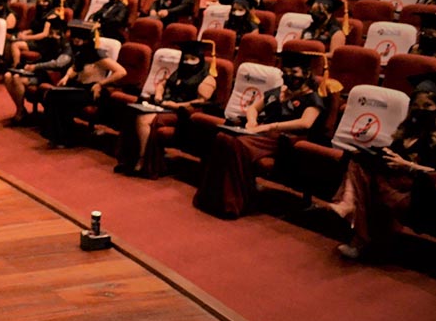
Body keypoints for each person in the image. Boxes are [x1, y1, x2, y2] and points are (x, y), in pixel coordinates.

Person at [193, 50, 326, 218]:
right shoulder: (278, 92)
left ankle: (233, 203)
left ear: (306, 74)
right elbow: (253, 108)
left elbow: (306, 122)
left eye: (294, 72)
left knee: (237, 144)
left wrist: (270, 127)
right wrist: (251, 121)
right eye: (286, 71)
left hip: (283, 140)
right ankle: (211, 199)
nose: (289, 75)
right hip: (260, 133)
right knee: (223, 137)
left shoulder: (312, 98)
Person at [327, 74, 436, 260]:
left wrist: (408, 165)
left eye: (428, 106)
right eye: (416, 106)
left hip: (418, 193)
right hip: (395, 181)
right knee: (359, 160)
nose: (421, 110)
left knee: (367, 181)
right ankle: (354, 217)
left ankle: (354, 222)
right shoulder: (408, 129)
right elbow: (392, 156)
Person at [115, 40, 217, 178]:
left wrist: (177, 105)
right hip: (165, 105)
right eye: (186, 59)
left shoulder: (207, 78)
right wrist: (158, 93)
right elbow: (162, 84)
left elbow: (201, 101)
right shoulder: (178, 72)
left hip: (182, 112)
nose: (188, 62)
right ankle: (128, 160)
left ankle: (143, 160)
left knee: (144, 119)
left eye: (193, 59)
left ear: (200, 59)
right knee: (133, 111)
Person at [39, 21, 126, 147]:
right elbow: (75, 68)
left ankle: (64, 138)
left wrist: (101, 84)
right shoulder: (82, 51)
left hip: (92, 91)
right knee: (52, 94)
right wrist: (66, 77)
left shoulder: (97, 54)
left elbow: (121, 72)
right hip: (80, 88)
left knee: (56, 97)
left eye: (78, 39)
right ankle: (60, 135)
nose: (75, 41)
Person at [4, 25, 72, 125]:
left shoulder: (67, 47)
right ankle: (21, 109)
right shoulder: (47, 43)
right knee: (8, 76)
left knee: (16, 78)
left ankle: (20, 113)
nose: (53, 36)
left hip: (50, 76)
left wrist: (36, 66)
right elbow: (40, 57)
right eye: (51, 33)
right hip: (39, 72)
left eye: (56, 35)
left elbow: (58, 63)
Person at [9, 0, 64, 67]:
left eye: (45, 1)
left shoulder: (52, 15)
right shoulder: (40, 13)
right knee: (12, 41)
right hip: (36, 40)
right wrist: (25, 33)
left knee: (15, 45)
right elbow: (36, 28)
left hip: (45, 44)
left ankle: (16, 66)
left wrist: (26, 38)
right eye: (41, 1)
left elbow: (44, 34)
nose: (42, 3)